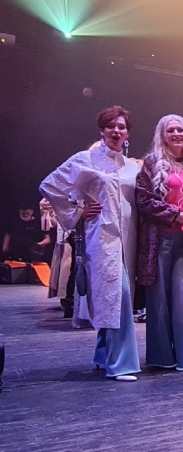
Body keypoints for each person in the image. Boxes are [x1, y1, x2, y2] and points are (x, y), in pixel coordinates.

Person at [39, 106, 140, 381]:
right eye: (110, 126)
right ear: (102, 130)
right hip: (102, 238)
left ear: (128, 133)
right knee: (117, 296)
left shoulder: (132, 167)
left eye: (121, 127)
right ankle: (120, 364)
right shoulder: (85, 160)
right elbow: (50, 186)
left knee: (114, 298)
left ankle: (102, 354)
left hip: (129, 239)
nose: (116, 131)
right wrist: (77, 213)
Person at [137, 114, 183, 372]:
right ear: (163, 135)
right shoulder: (151, 163)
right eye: (171, 130)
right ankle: (162, 358)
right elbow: (143, 200)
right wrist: (175, 214)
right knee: (158, 299)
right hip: (157, 240)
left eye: (180, 129)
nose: (177, 134)